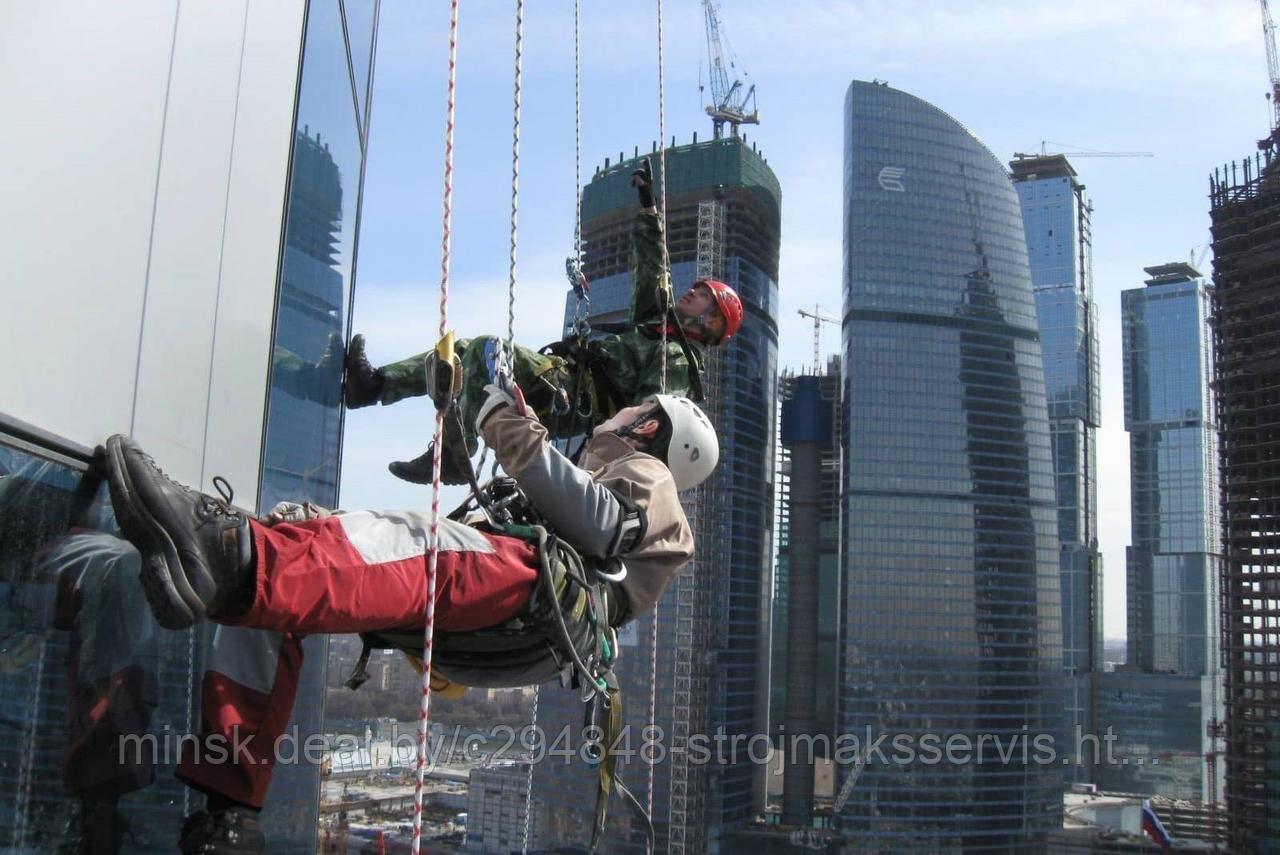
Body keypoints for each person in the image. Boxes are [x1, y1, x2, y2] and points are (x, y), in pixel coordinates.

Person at [97, 382, 717, 854]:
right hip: (516, 610)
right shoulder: (607, 470)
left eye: (633, 411)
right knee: (300, 545)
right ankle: (227, 809)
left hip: (532, 591)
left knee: (409, 539)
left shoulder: (649, 473)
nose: (616, 415)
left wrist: (508, 425)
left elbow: (605, 526)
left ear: (651, 425)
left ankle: (227, 559)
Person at [343, 157, 744, 485]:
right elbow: (653, 273)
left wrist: (601, 460)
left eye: (705, 295)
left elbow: (646, 415)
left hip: (575, 397)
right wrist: (648, 211)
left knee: (488, 350)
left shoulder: (675, 361)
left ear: (711, 324)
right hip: (566, 381)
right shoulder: (657, 327)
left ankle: (454, 452)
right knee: (463, 353)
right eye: (698, 287)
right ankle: (377, 384)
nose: (693, 291)